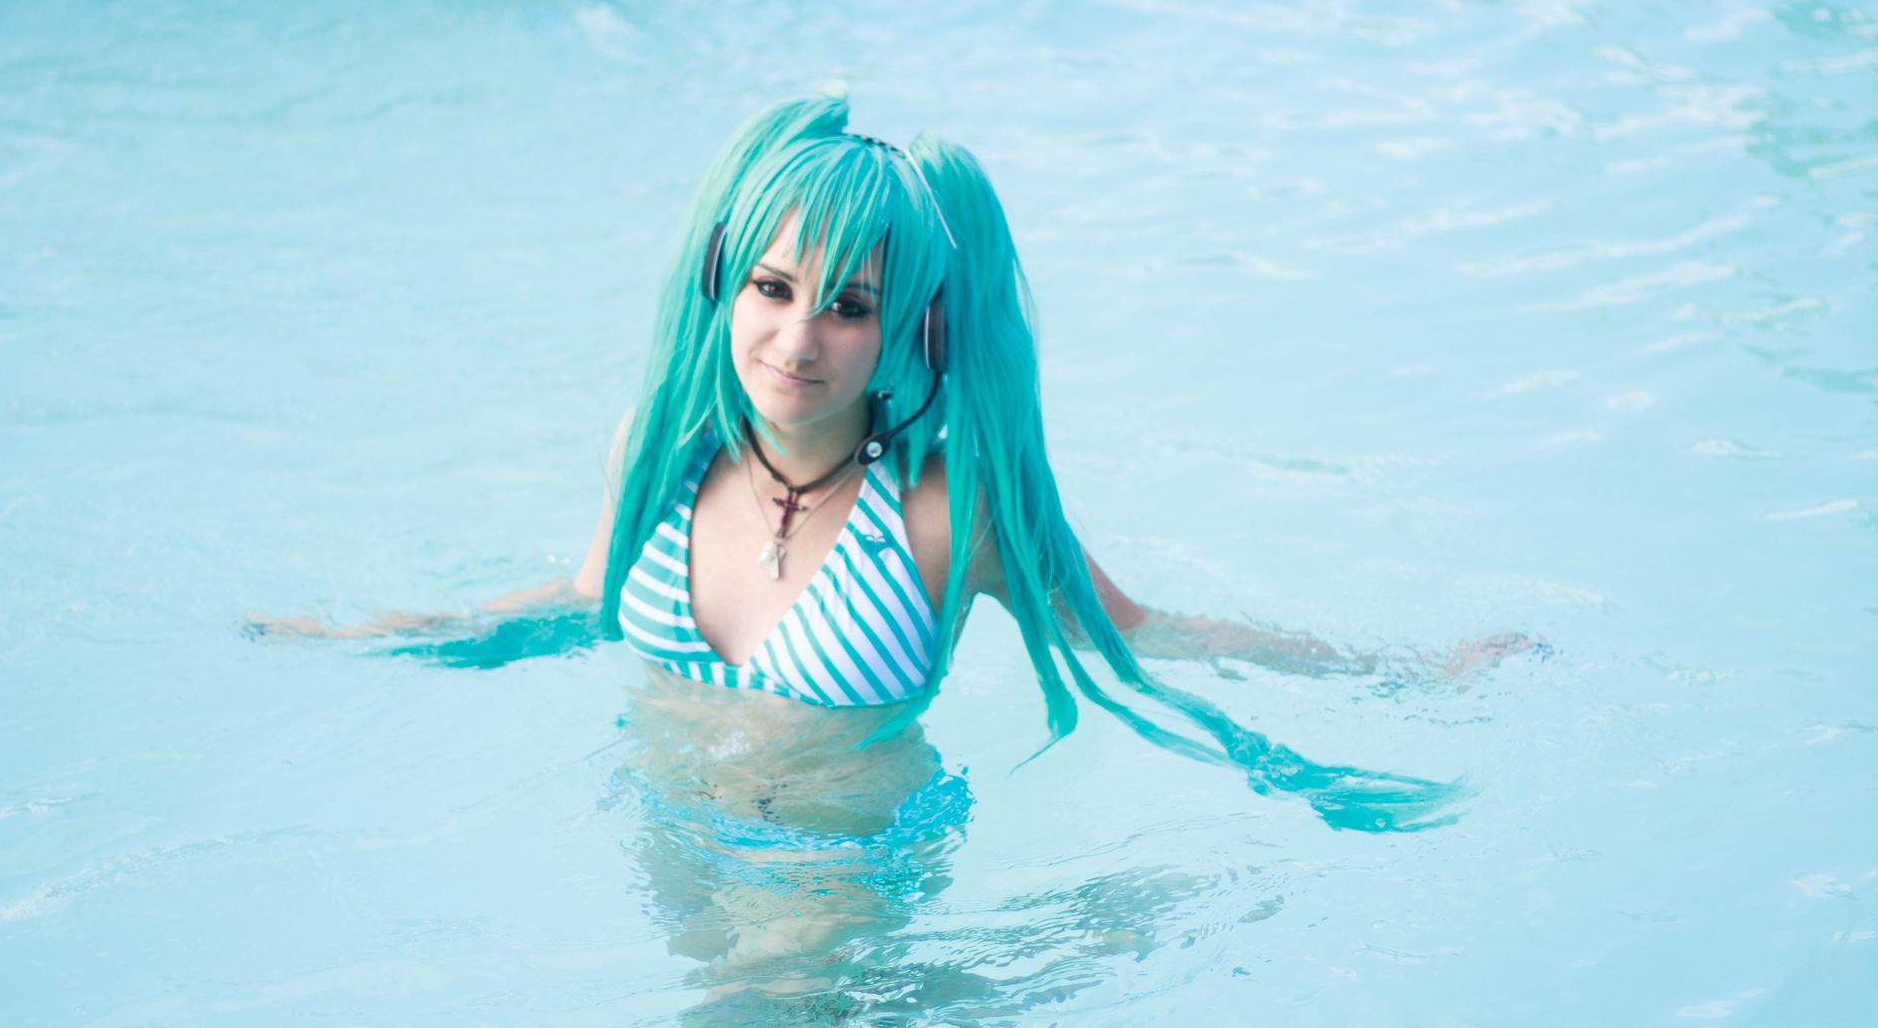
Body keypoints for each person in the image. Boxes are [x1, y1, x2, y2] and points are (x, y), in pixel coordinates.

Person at [253, 96, 1530, 832]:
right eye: (771, 288)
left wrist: (1407, 671)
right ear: (724, 282)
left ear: (909, 327)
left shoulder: (942, 513)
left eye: (848, 307)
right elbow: (578, 601)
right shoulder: (660, 454)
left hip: (842, 869)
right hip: (666, 835)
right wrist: (362, 638)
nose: (796, 340)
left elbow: (1137, 635)